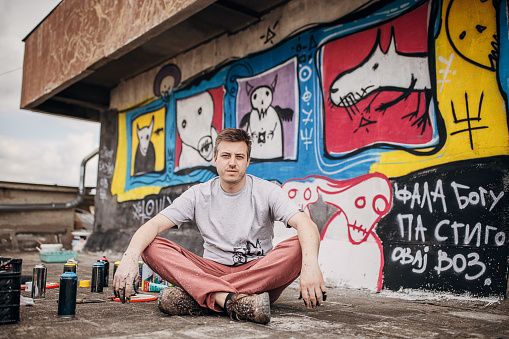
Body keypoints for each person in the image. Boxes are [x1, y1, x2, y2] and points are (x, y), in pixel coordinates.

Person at [113, 128, 326, 324]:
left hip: (258, 275)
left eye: (239, 157)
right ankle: (235, 302)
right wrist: (130, 258)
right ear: (215, 159)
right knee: (150, 246)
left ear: (248, 161)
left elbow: (306, 224)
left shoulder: (266, 191)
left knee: (301, 245)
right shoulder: (199, 194)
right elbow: (154, 224)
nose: (232, 162)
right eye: (226, 156)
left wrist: (310, 265)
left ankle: (205, 297)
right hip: (213, 272)